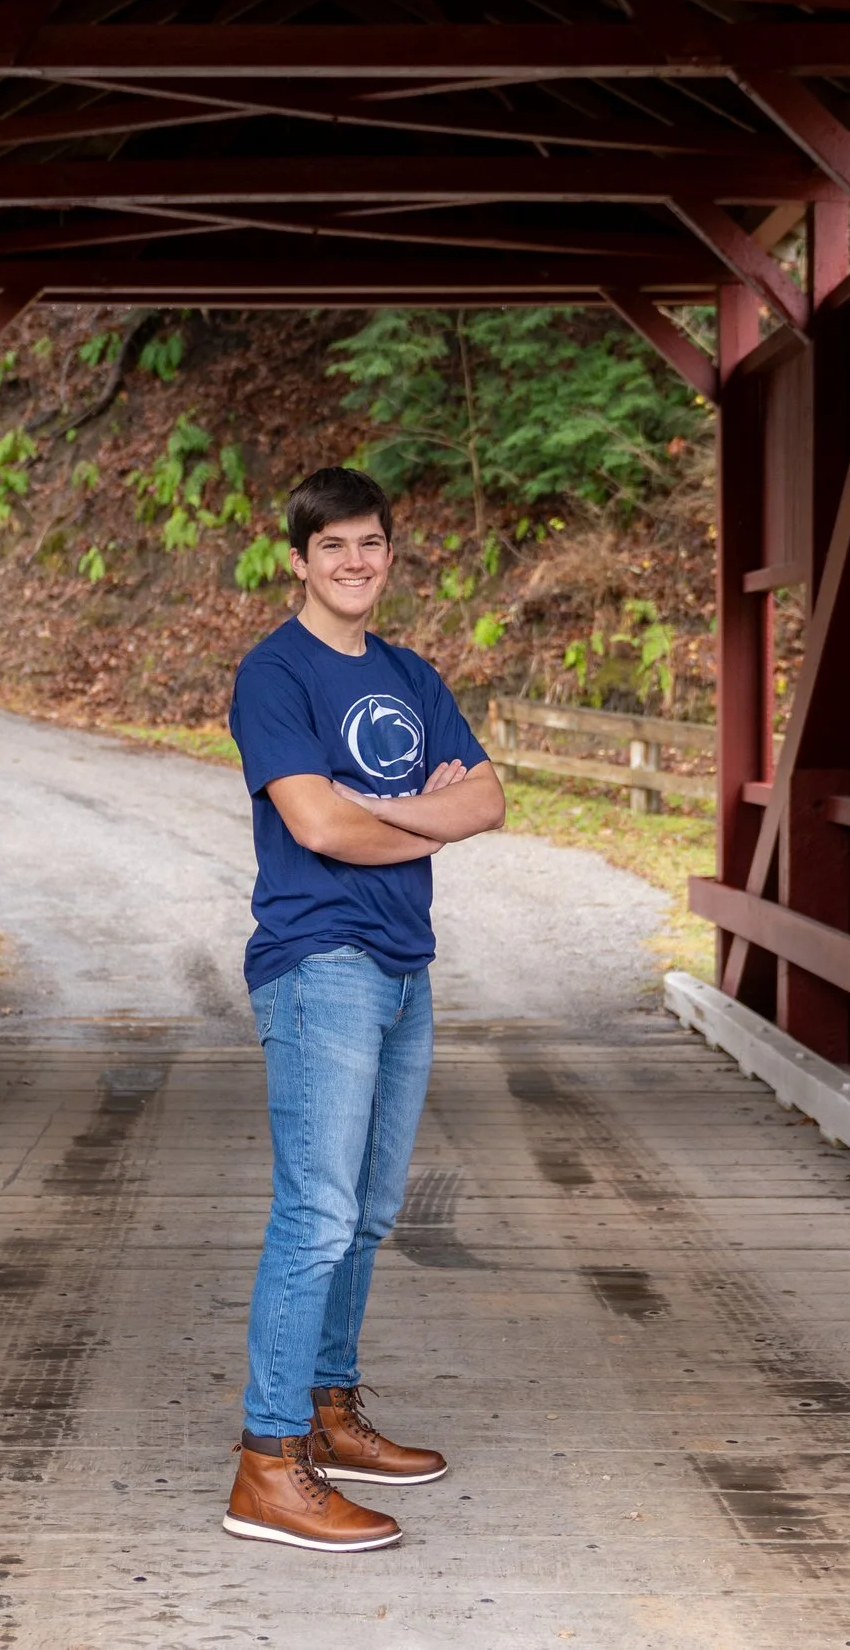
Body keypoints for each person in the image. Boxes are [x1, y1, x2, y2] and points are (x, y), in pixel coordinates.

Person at [220, 466, 507, 1553]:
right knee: (315, 1210)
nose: (353, 562)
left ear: (389, 553)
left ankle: (330, 1413)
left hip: (402, 963)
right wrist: (425, 817)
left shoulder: (407, 671)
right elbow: (319, 828)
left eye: (371, 544)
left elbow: (489, 794)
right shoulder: (274, 674)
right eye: (331, 545)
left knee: (370, 1208)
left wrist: (394, 811)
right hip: (318, 960)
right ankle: (267, 1460)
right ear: (297, 558)